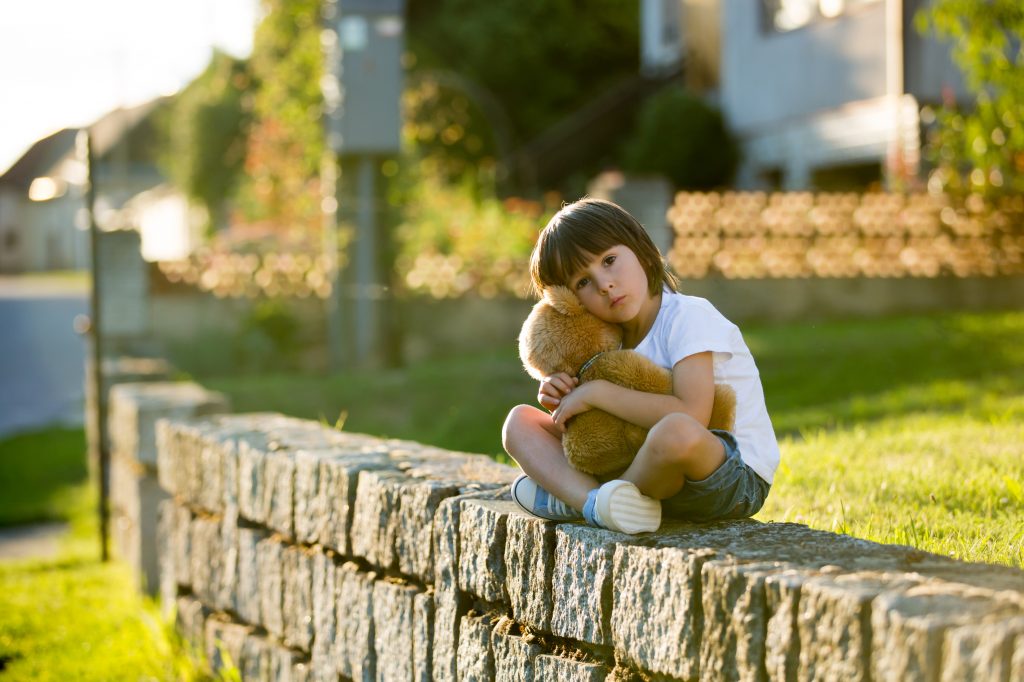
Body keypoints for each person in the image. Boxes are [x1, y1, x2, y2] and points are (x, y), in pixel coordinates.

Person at [502, 198, 779, 534]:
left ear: (641, 249)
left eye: (609, 261)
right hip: (652, 476)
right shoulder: (607, 341)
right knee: (519, 422)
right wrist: (564, 401)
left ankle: (589, 500)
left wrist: (598, 393)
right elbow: (604, 427)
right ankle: (598, 503)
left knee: (675, 430)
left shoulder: (687, 317)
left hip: (727, 477)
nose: (604, 284)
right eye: (583, 283)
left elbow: (693, 416)